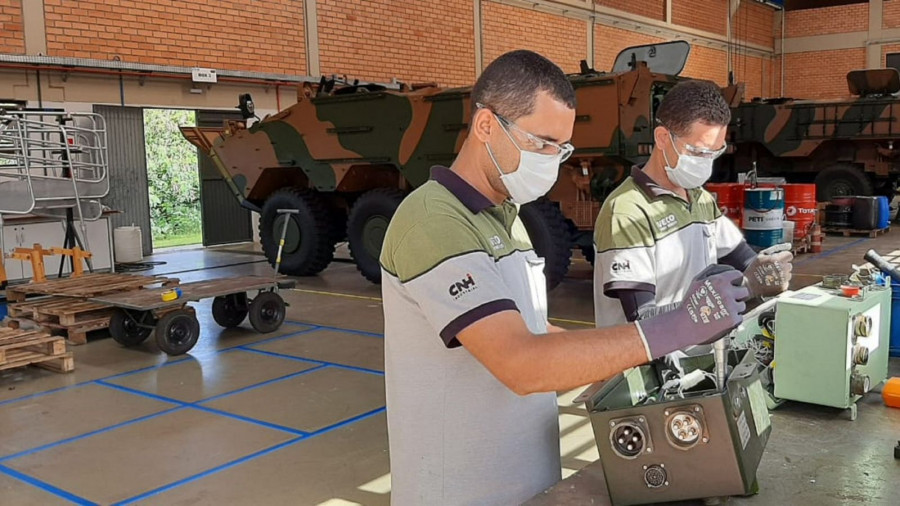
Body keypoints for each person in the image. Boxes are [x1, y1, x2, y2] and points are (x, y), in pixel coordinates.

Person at [380, 50, 750, 506]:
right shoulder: (434, 222)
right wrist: (670, 329)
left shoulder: (508, 216)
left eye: (562, 147)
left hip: (527, 479)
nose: (553, 160)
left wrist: (613, 372)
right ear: (486, 126)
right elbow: (521, 361)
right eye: (542, 142)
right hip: (460, 488)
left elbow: (535, 331)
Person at [593, 79, 793, 329]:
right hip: (646, 364)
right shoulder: (628, 211)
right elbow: (642, 320)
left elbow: (743, 259)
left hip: (695, 353)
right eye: (698, 152)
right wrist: (745, 288)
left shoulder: (700, 199)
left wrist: (766, 269)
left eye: (715, 152)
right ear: (663, 137)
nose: (706, 162)